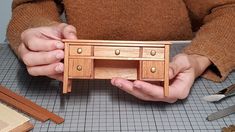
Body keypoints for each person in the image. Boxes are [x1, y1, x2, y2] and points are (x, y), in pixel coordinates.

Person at [7, 0, 235, 103]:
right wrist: (35, 29)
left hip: (175, 61)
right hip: (79, 65)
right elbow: (32, 4)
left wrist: (198, 59)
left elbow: (229, 8)